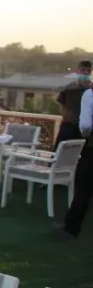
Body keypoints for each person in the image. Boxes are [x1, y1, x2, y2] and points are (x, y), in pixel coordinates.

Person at [55, 87, 93, 238]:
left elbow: (85, 126)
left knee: (84, 189)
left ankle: (71, 228)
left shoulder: (90, 94)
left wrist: (87, 135)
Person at [54, 60, 92, 148]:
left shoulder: (91, 90)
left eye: (88, 70)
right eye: (83, 70)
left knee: (86, 153)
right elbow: (61, 104)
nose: (86, 73)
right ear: (77, 71)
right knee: (62, 151)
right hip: (69, 126)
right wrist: (67, 117)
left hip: (87, 129)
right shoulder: (68, 88)